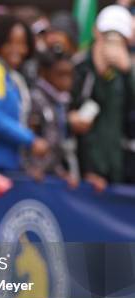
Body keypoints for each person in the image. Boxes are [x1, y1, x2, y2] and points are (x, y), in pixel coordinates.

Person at [71, 5, 135, 190]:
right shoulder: (79, 67)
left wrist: (129, 71)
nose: (113, 44)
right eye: (108, 36)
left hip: (118, 169)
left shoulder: (124, 73)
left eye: (119, 38)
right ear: (96, 33)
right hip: (83, 171)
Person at [0, 14, 49, 171]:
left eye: (22, 43)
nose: (18, 50)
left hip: (12, 163)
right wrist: (31, 140)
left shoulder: (10, 75)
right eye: (10, 43)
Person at [25, 49, 79, 187]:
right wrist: (29, 168)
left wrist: (60, 172)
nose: (67, 81)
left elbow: (55, 144)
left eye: (70, 75)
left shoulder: (62, 103)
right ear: (43, 73)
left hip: (48, 177)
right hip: (29, 178)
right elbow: (27, 140)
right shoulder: (34, 99)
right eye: (61, 75)